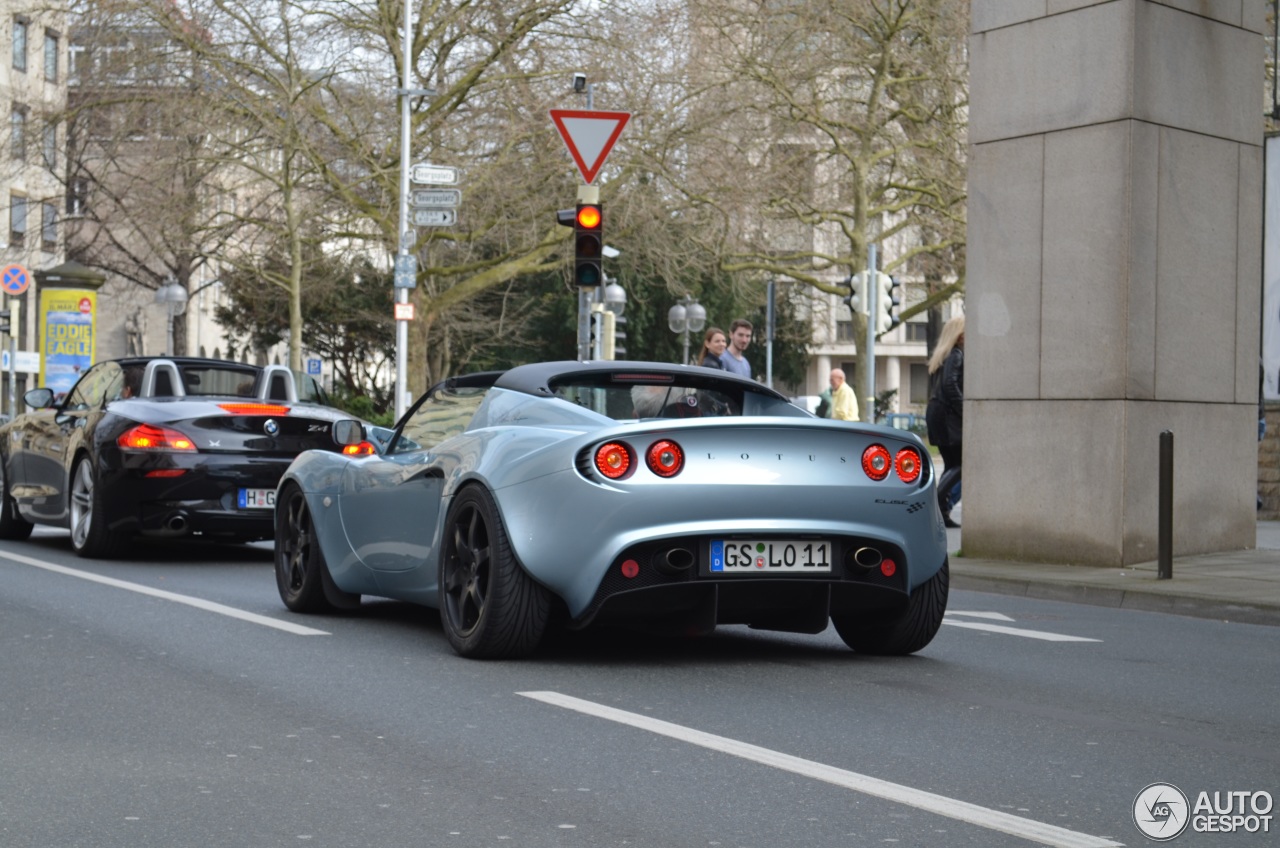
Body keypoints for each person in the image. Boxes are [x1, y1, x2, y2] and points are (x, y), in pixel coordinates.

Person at [926, 314, 965, 528]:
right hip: (947, 417)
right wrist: (965, 411)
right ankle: (936, 506)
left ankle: (941, 512)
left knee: (952, 465)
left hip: (938, 414)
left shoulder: (943, 356)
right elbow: (951, 386)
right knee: (960, 464)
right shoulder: (957, 355)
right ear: (959, 336)